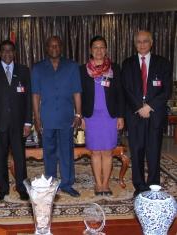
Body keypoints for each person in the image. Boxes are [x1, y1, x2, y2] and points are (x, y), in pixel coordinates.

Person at [121, 30, 172, 197]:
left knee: (153, 151)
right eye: (139, 42)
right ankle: (140, 187)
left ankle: (153, 186)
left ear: (151, 43)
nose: (142, 44)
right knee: (136, 151)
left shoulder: (163, 63)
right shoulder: (127, 64)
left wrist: (148, 106)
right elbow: (126, 89)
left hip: (154, 114)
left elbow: (166, 91)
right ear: (135, 44)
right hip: (135, 115)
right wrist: (139, 107)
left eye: (145, 41)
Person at [32, 36, 82, 197]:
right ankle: (51, 184)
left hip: (66, 116)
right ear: (46, 48)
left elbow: (77, 92)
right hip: (47, 117)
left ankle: (67, 184)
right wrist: (37, 118)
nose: (54, 48)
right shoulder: (38, 68)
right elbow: (35, 95)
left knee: (67, 151)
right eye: (51, 45)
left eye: (57, 45)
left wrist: (78, 113)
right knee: (49, 152)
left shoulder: (72, 66)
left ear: (61, 47)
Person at [0, 40, 32, 201]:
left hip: (18, 124)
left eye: (10, 50)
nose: (7, 53)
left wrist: (27, 122)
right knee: (0, 158)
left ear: (15, 52)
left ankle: (22, 187)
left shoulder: (24, 71)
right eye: (4, 50)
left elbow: (28, 99)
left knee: (20, 158)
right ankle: (3, 188)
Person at [80, 36, 125, 196]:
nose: (99, 50)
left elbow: (120, 92)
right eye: (95, 47)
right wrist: (81, 117)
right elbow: (78, 95)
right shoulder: (83, 70)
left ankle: (106, 184)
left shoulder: (115, 68)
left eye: (102, 47)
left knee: (107, 151)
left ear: (106, 49)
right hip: (91, 117)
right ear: (91, 50)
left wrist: (120, 116)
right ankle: (98, 185)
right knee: (95, 152)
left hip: (109, 116)